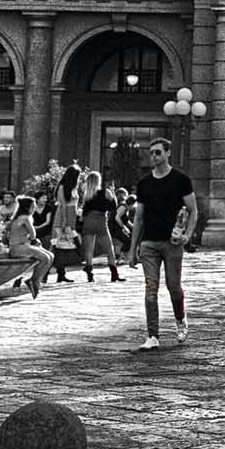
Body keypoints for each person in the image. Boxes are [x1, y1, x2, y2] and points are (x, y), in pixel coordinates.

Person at [135, 140, 198, 347]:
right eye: (151, 153)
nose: (154, 156)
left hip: (172, 242)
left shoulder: (181, 180)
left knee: (173, 287)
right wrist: (132, 247)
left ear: (168, 153)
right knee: (150, 289)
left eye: (158, 152)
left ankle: (181, 321)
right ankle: (153, 336)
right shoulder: (144, 183)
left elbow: (193, 210)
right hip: (149, 244)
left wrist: (187, 235)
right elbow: (139, 217)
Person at [5, 196, 55, 298]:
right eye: (33, 206)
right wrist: (34, 241)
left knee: (50, 256)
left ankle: (35, 281)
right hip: (18, 248)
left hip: (20, 247)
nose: (35, 208)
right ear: (28, 208)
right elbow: (33, 235)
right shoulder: (25, 218)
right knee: (46, 257)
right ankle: (33, 280)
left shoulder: (18, 217)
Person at [79, 170, 122, 281]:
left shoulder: (86, 195)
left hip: (88, 221)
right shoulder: (105, 192)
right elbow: (113, 207)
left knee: (89, 250)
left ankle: (89, 272)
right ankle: (114, 274)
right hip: (101, 221)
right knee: (109, 248)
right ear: (99, 181)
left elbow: (84, 212)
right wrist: (113, 194)